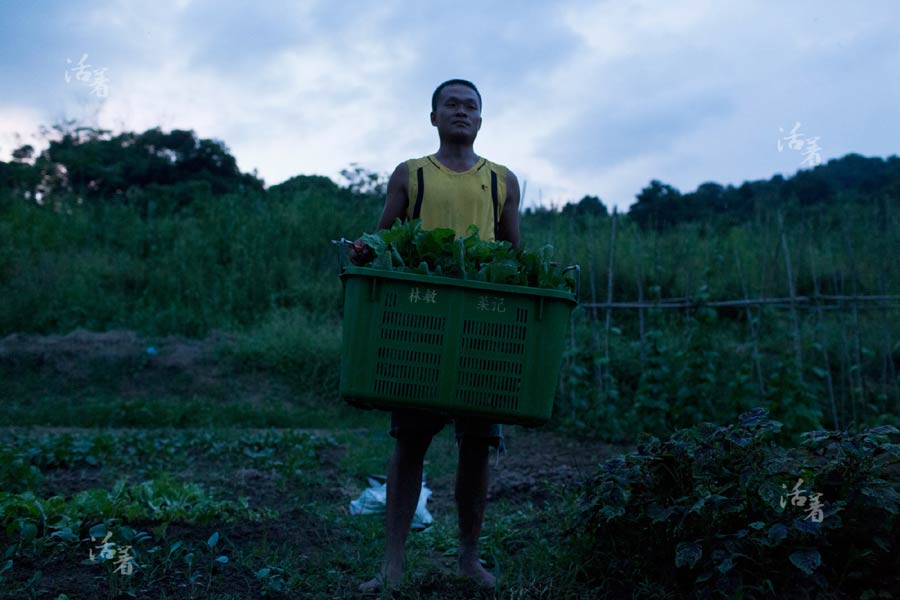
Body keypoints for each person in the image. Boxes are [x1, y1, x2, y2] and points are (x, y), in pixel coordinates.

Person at [357, 78, 521, 593]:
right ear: (433, 116)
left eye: (471, 106)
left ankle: (469, 559)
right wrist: (363, 252)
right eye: (451, 104)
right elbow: (382, 240)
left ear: (481, 119)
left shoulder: (502, 180)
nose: (461, 111)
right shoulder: (411, 175)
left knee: (476, 447)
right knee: (409, 444)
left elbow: (515, 257)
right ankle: (392, 564)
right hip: (421, 326)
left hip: (480, 328)